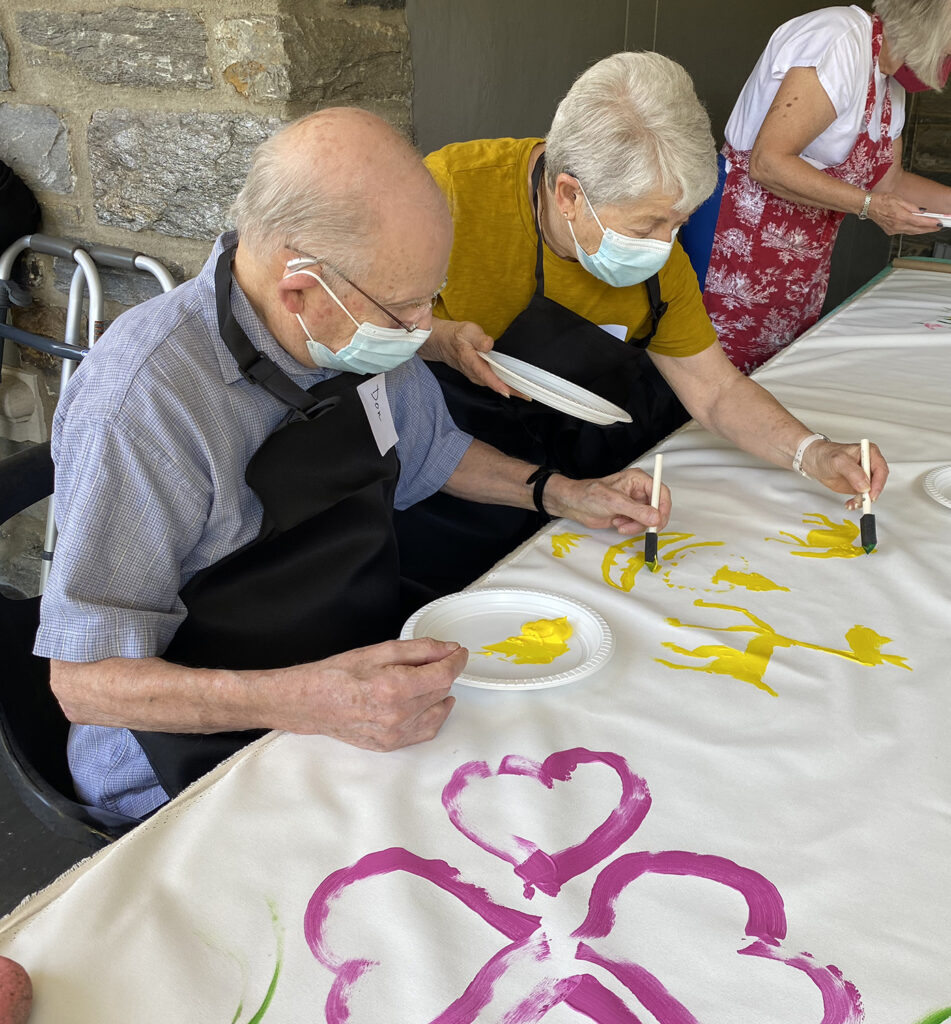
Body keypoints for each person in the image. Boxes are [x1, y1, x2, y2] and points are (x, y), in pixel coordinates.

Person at [34, 108, 678, 819]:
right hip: (185, 766)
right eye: (405, 309)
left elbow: (435, 452)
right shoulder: (143, 404)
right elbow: (85, 681)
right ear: (299, 291)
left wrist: (560, 493)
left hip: (350, 681)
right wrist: (309, 699)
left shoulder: (353, 329)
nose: (424, 329)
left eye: (427, 298)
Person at [395, 51, 889, 596]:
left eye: (678, 223)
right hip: (451, 469)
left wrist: (812, 451)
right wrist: (440, 341)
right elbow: (354, 330)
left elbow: (715, 390)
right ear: (568, 195)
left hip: (578, 480)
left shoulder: (660, 259)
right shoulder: (446, 195)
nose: (664, 246)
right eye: (649, 223)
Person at [704, 0, 951, 372]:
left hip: (803, 268)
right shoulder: (838, 40)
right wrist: (869, 206)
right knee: (713, 377)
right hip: (737, 247)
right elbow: (768, 161)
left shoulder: (890, 83)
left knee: (772, 374)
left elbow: (890, 181)